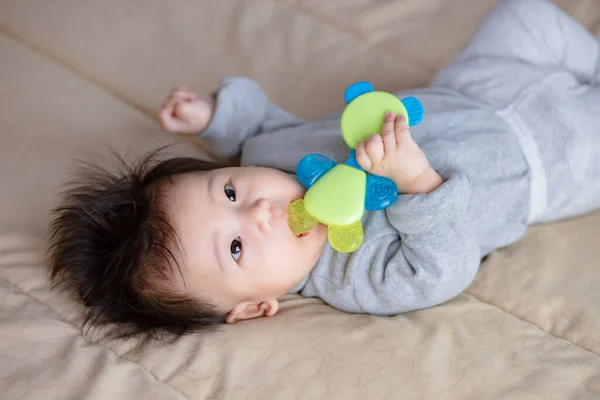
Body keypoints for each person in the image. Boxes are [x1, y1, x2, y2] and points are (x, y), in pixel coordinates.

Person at [48, 0, 600, 336]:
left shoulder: (271, 161)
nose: (260, 211)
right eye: (236, 249)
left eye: (230, 192)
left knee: (521, 17)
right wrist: (416, 185)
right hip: (542, 161)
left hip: (470, 90)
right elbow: (440, 272)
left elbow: (259, 130)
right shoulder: (352, 276)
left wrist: (215, 115)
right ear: (255, 307)